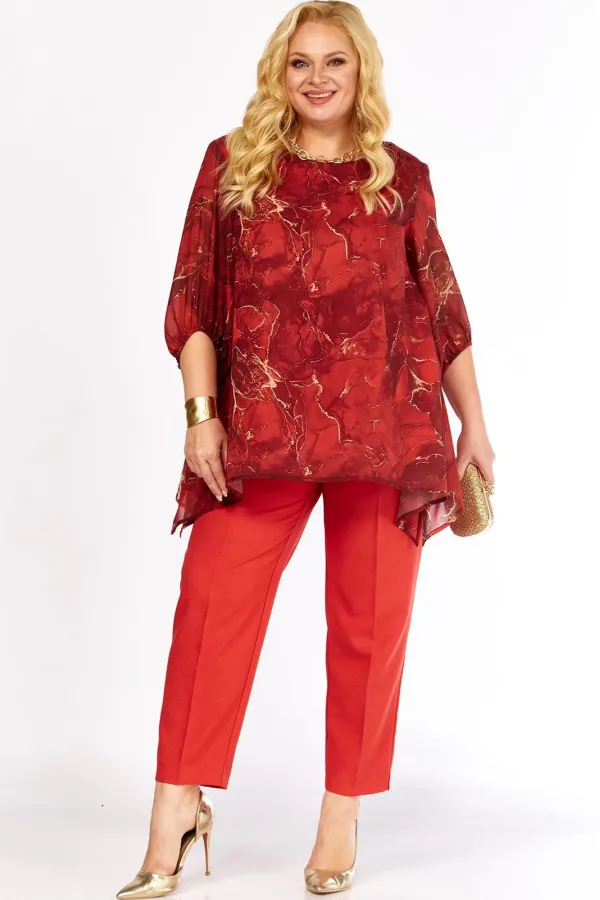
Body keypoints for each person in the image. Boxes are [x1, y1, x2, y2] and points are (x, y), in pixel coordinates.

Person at [115, 1, 495, 896]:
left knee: (370, 627)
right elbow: (192, 297)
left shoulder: (402, 179)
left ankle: (341, 813)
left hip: (386, 432)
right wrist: (200, 415)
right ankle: (176, 808)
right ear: (277, 76)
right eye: (300, 62)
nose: (318, 78)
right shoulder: (232, 166)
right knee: (210, 607)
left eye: (335, 61)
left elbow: (442, 311)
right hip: (258, 433)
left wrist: (474, 424)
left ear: (363, 72)